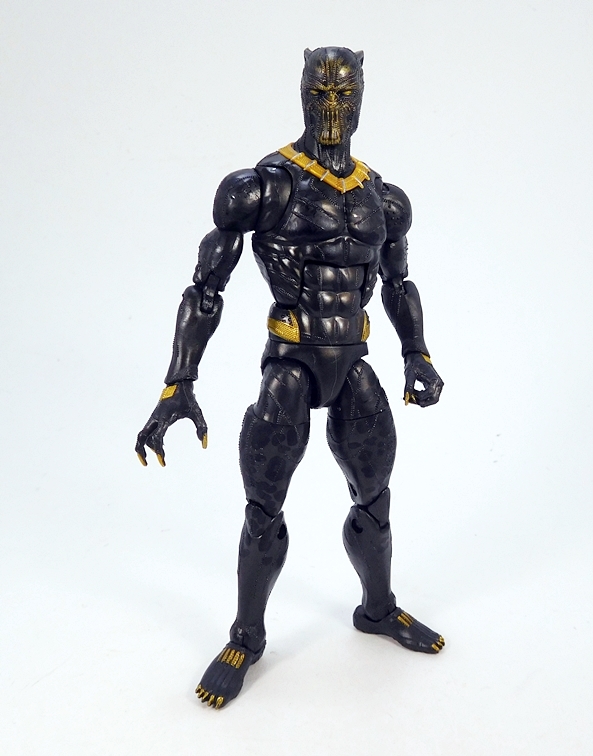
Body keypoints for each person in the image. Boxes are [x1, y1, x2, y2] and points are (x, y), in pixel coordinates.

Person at [136, 46, 444, 709]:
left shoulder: (384, 198)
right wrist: (178, 383)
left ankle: (377, 608)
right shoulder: (263, 187)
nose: (331, 105)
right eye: (319, 91)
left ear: (360, 96)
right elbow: (205, 288)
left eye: (343, 92)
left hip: (353, 361)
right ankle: (245, 637)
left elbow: (398, 283)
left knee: (375, 497)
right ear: (302, 92)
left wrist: (416, 352)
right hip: (291, 362)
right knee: (263, 507)